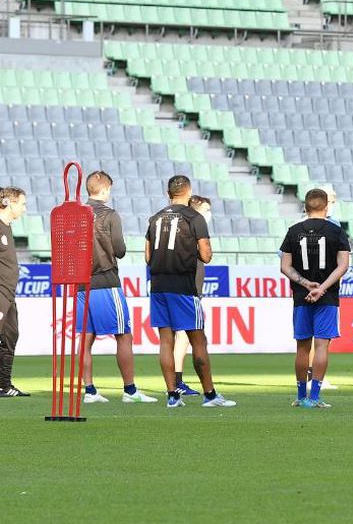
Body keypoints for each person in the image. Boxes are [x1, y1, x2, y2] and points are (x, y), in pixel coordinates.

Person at [146, 176, 235, 408]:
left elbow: (147, 257)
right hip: (183, 287)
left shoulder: (154, 219)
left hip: (157, 287)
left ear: (168, 193)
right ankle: (210, 395)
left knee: (166, 341)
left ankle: (172, 396)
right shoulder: (194, 218)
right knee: (198, 341)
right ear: (189, 191)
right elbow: (206, 255)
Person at [77, 171, 156, 404]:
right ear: (104, 190)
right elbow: (120, 250)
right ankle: (130, 391)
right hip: (106, 281)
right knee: (123, 335)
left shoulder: (77, 214)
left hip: (81, 284)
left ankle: (89, 391)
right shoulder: (110, 214)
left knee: (86, 338)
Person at [280, 188, 351, 409]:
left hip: (302, 296)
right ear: (326, 207)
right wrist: (322, 288)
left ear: (305, 207)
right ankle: (315, 397)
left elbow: (284, 266)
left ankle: (301, 397)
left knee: (302, 347)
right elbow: (343, 265)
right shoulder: (336, 231)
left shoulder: (293, 231)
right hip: (327, 296)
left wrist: (304, 283)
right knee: (321, 346)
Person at [171, 194, 212, 397]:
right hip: (188, 287)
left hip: (183, 286)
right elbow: (205, 255)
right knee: (184, 336)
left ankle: (176, 382)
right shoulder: (193, 229)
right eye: (206, 210)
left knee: (180, 336)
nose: (209, 215)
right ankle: (177, 381)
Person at [0, 187, 28, 397]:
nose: (24, 209)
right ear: (8, 203)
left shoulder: (7, 227)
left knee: (11, 336)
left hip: (9, 295)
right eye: (22, 204)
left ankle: (3, 385)